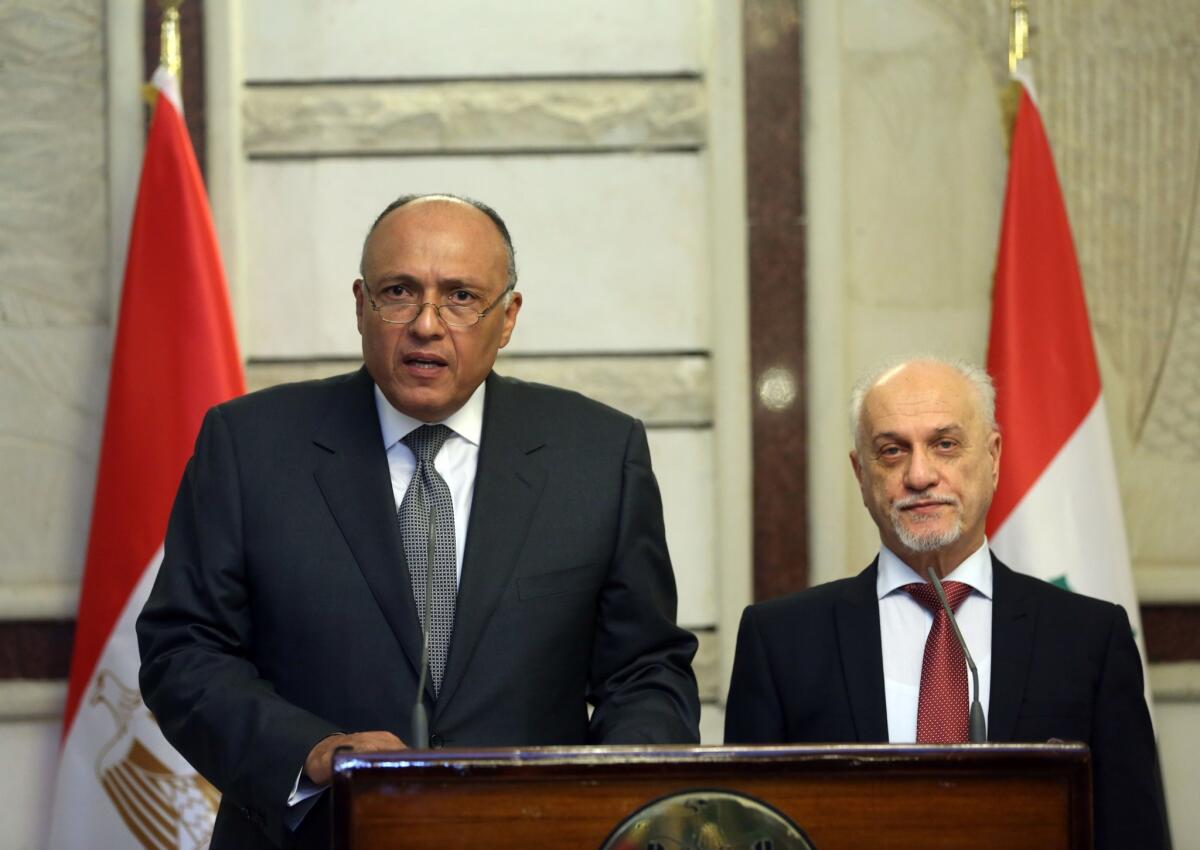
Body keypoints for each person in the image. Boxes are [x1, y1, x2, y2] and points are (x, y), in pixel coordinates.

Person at [138, 194, 700, 850]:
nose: (427, 324)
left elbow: (645, 668)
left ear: (508, 317)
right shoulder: (250, 446)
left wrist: (611, 796)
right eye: (399, 291)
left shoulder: (598, 454)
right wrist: (313, 752)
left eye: (461, 296)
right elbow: (185, 653)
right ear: (360, 305)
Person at [724, 357, 1167, 850]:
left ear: (994, 456)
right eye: (892, 451)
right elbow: (749, 835)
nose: (919, 474)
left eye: (945, 445)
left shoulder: (1089, 639)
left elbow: (1133, 833)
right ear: (860, 473)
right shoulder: (780, 642)